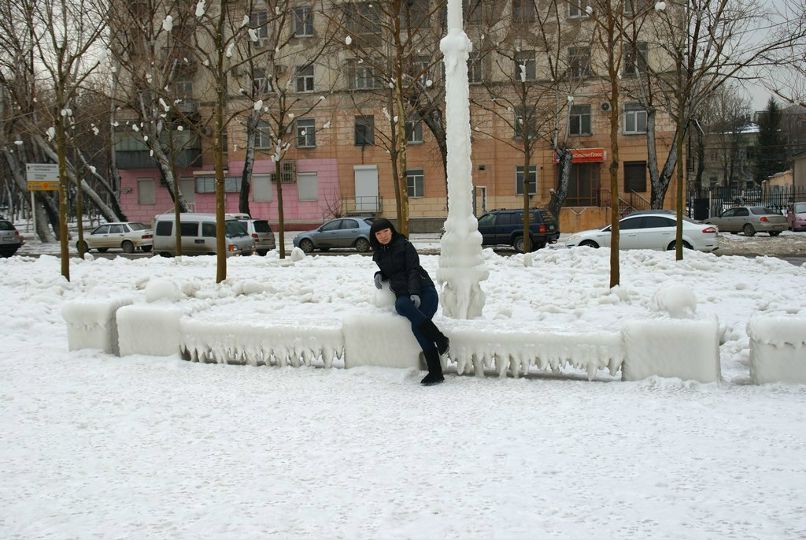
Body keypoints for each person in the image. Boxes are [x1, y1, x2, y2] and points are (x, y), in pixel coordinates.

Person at [369, 218, 450, 386]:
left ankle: (436, 372)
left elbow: (412, 270)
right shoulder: (379, 254)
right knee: (401, 305)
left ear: (391, 230)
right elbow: (391, 271)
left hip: (424, 290)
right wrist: (380, 274)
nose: (383, 236)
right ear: (374, 236)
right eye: (378, 233)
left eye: (385, 231)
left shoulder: (405, 245)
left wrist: (415, 293)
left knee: (417, 326)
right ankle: (440, 339)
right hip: (403, 292)